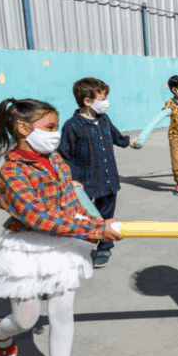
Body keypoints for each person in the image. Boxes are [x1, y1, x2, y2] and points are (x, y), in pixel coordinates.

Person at [0, 98, 123, 356]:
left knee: (62, 313)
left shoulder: (56, 160)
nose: (55, 134)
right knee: (25, 320)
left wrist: (97, 222)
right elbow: (39, 218)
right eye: (49, 128)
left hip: (63, 246)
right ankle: (0, 332)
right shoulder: (12, 172)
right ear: (23, 129)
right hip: (27, 250)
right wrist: (94, 229)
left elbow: (71, 203)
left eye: (56, 127)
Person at [59, 77, 141, 268]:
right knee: (84, 219)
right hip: (84, 183)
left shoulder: (104, 119)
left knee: (106, 216)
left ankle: (105, 247)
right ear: (88, 101)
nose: (106, 103)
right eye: (102, 99)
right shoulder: (72, 126)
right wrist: (68, 179)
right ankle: (81, 249)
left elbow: (116, 136)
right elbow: (63, 155)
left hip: (108, 180)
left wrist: (128, 142)